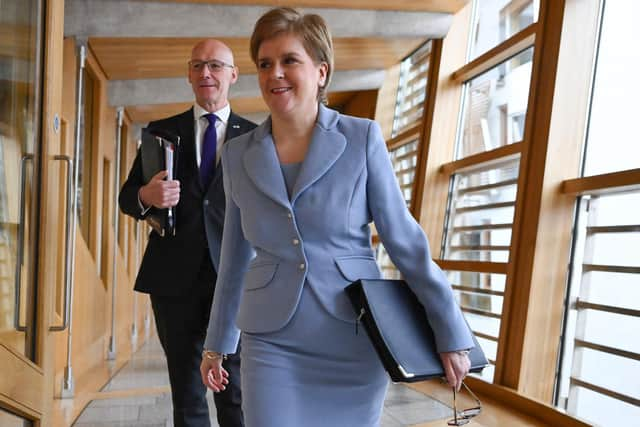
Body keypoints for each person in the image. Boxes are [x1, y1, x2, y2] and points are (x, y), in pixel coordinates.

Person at [199, 8, 474, 427]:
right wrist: (217, 344)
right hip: (272, 343)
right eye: (265, 64)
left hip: (352, 335)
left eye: (290, 60)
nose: (275, 73)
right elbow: (235, 258)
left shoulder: (361, 138)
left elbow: (404, 241)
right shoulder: (237, 154)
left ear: (321, 72)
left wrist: (451, 331)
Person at [119, 39, 256, 427]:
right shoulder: (161, 132)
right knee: (187, 393)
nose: (205, 73)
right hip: (172, 281)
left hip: (235, 280)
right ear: (188, 75)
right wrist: (147, 194)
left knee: (235, 394)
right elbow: (128, 198)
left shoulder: (256, 138)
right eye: (197, 66)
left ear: (233, 75)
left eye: (215, 65)